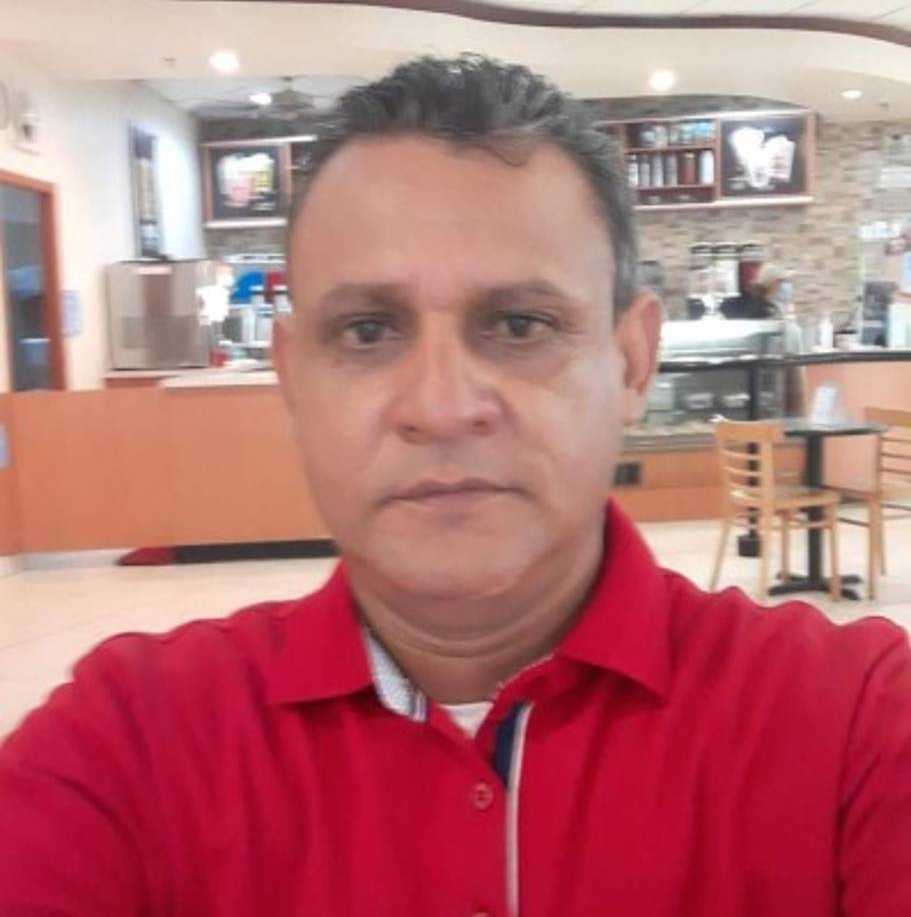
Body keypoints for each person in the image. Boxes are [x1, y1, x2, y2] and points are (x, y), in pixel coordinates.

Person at [1, 56, 909, 916]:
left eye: (518, 324)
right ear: (292, 375)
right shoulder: (126, 744)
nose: (440, 408)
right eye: (367, 331)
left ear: (632, 361)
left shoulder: (854, 726)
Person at [722, 262, 789, 319]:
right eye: (779, 282)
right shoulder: (759, 306)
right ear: (771, 282)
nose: (779, 287)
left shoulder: (768, 306)